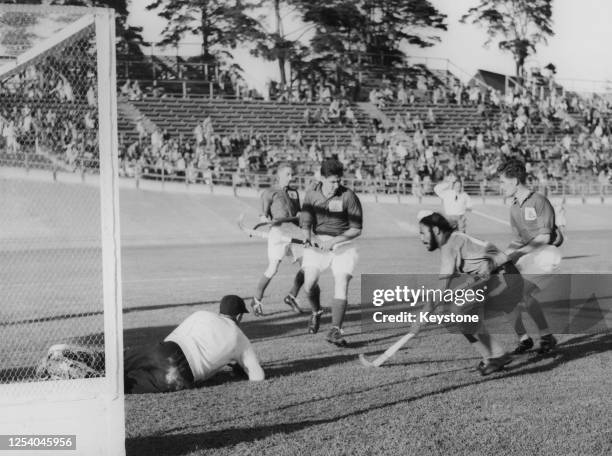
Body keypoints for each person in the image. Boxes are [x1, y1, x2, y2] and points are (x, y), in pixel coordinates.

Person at [415, 211, 523, 375]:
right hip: (498, 278)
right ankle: (491, 357)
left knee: (459, 312)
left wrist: (422, 316)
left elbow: (442, 286)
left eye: (423, 233)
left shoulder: (451, 245)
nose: (421, 238)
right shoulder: (454, 239)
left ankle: (498, 355)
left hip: (506, 279)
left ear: (436, 230)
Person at [124, 295, 264, 394]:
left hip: (166, 349)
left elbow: (173, 337)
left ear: (220, 310)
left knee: (119, 359)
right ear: (239, 317)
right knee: (126, 384)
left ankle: (101, 361)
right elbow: (258, 377)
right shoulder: (240, 338)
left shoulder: (201, 314)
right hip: (181, 374)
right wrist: (238, 367)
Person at [497, 158, 562, 354]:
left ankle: (547, 336)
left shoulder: (539, 201)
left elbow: (544, 237)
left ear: (515, 181)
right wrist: (501, 256)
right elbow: (517, 240)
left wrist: (517, 254)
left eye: (503, 182)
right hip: (528, 255)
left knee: (523, 293)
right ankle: (524, 339)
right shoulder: (514, 207)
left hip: (546, 255)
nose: (501, 187)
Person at [300, 158, 363, 347]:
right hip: (318, 242)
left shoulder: (348, 196)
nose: (336, 186)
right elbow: (306, 222)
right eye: (332, 182)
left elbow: (356, 229)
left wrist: (335, 241)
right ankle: (317, 311)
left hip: (343, 244)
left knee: (341, 281)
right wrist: (308, 237)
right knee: (309, 284)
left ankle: (335, 330)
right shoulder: (311, 195)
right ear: (322, 178)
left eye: (338, 181)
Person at [250, 163, 306, 316]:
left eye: (292, 174)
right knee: (273, 268)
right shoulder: (269, 192)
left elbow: (298, 214)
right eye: (288, 174)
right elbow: (263, 214)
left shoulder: (294, 193)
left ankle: (291, 296)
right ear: (279, 176)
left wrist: (302, 218)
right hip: (278, 233)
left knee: (307, 267)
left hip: (294, 233)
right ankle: (256, 300)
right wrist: (265, 219)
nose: (291, 177)